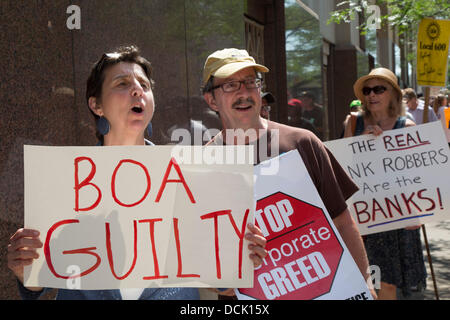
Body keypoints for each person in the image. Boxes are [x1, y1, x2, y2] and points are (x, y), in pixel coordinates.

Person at [7, 46, 267, 300]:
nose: (137, 90)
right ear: (96, 105)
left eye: (144, 85)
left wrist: (236, 266)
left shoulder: (191, 176)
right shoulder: (65, 181)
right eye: (122, 83)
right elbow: (40, 279)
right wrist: (25, 274)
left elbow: (217, 279)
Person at [201, 48, 376, 299]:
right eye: (230, 85)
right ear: (211, 100)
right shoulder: (203, 165)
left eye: (251, 82)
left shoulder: (303, 143)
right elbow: (203, 259)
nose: (244, 92)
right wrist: (223, 282)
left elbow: (344, 223)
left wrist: (366, 287)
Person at [343, 67, 427, 300]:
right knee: (366, 279)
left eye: (379, 89)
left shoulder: (406, 128)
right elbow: (342, 164)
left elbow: (420, 175)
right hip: (364, 214)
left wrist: (417, 211)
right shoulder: (353, 122)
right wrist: (361, 141)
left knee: (388, 283)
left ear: (393, 94)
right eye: (368, 90)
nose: (372, 95)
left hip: (397, 214)